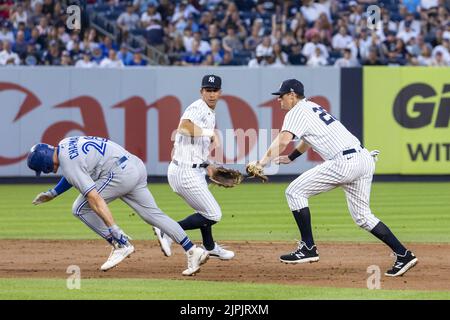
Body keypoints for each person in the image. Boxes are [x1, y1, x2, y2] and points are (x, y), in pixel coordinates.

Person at [246, 79, 418, 277]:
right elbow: (307, 139)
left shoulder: (296, 111)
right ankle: (403, 254)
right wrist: (292, 157)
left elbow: (283, 140)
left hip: (345, 162)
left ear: (292, 95)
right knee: (363, 217)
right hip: (364, 158)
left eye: (281, 95)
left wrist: (261, 163)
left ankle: (308, 247)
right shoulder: (312, 107)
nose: (279, 100)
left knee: (294, 191)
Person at [27, 136, 209, 276]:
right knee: (154, 215)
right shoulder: (66, 144)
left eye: (41, 168)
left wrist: (113, 229)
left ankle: (120, 244)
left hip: (119, 174)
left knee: (80, 208)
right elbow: (73, 173)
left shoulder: (68, 163)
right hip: (134, 165)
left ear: (44, 163)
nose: (43, 171)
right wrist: (54, 193)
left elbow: (94, 198)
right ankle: (193, 250)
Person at [153, 75, 235, 261]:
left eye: (214, 91)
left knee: (204, 210)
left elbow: (191, 145)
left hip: (193, 169)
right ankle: (166, 230)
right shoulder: (198, 107)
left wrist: (207, 165)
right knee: (213, 214)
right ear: (201, 92)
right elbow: (183, 127)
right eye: (208, 90)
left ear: (220, 93)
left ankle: (209, 246)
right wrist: (209, 133)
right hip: (185, 172)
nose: (211, 94)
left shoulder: (209, 111)